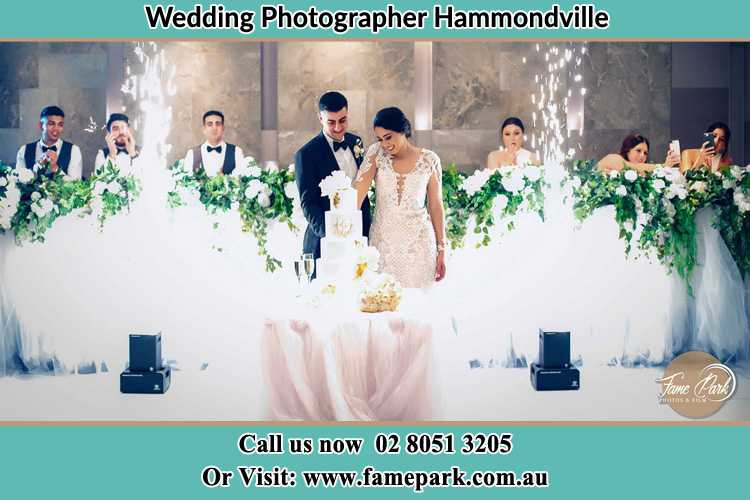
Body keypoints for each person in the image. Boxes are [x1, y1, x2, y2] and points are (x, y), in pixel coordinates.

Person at [675, 121, 749, 361]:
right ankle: (684, 334)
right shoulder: (690, 154)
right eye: (713, 136)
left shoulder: (728, 164)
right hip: (691, 220)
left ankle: (710, 336)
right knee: (687, 276)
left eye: (722, 138)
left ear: (726, 143)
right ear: (706, 136)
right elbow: (682, 182)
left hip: (712, 223)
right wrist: (700, 162)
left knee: (712, 275)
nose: (716, 142)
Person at [353, 107, 446, 288]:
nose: (385, 144)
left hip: (419, 247)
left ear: (403, 130)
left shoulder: (429, 160)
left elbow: (435, 206)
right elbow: (356, 197)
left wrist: (441, 248)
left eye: (388, 137)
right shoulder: (376, 154)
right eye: (380, 139)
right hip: (383, 247)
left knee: (418, 307)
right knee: (382, 303)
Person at [294, 91, 372, 263]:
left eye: (343, 120)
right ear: (320, 119)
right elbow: (309, 204)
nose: (338, 127)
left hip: (361, 237)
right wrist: (333, 237)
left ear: (348, 114)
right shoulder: (306, 154)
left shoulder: (356, 142)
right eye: (331, 122)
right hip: (325, 243)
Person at [15, 105, 82, 179]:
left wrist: (56, 169)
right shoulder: (24, 150)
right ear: (41, 125)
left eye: (60, 125)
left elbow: (76, 185)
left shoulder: (74, 150)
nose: (56, 129)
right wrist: (37, 168)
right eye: (51, 124)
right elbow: (18, 181)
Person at [183, 110, 245, 176]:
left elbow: (242, 181)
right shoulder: (192, 154)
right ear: (204, 129)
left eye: (218, 124)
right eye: (210, 124)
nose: (214, 128)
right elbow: (186, 182)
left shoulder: (236, 152)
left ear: (223, 128)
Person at [596, 133, 680, 173]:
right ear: (628, 150)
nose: (642, 156)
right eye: (638, 151)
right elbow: (631, 168)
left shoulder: (642, 174)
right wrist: (663, 166)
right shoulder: (613, 158)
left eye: (645, 153)